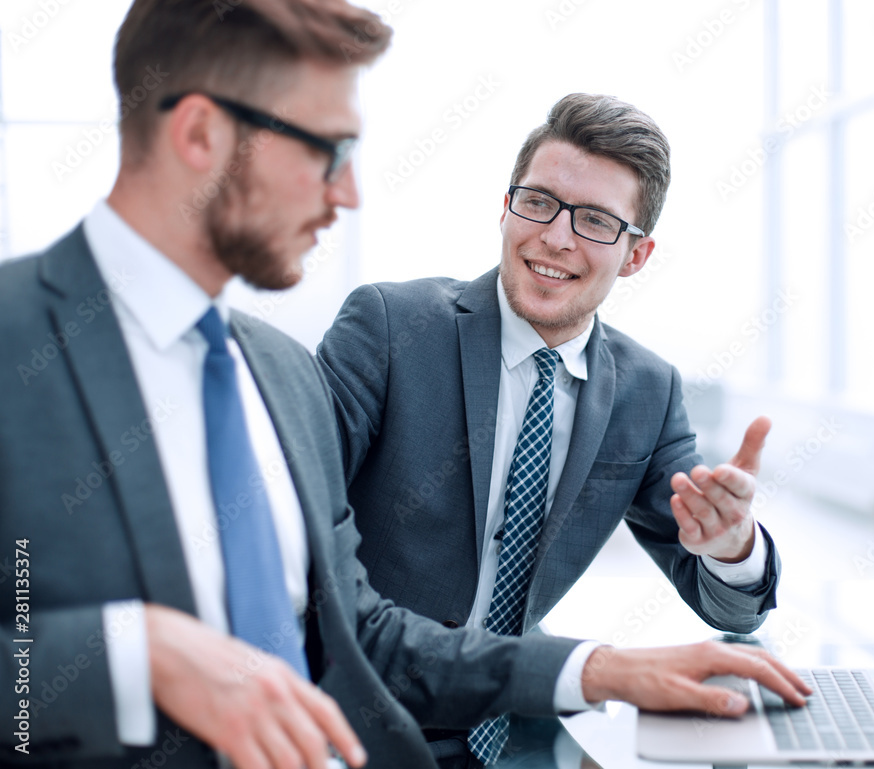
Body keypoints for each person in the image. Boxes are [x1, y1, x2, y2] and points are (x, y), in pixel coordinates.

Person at [0, 3, 809, 769]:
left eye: (593, 219)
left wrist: (601, 667)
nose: (349, 193)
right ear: (203, 134)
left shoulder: (272, 372)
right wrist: (133, 657)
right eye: (330, 149)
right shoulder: (20, 344)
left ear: (635, 252)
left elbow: (362, 629)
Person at [317, 93, 783, 760]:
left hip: (515, 728)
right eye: (538, 202)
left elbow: (732, 612)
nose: (556, 237)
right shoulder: (389, 328)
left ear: (636, 254)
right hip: (354, 723)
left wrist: (733, 545)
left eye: (595, 220)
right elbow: (295, 548)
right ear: (505, 207)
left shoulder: (648, 390)